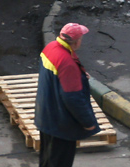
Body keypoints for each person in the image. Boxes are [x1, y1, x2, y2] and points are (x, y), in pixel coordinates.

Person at [34, 22, 101, 167]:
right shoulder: (67, 63)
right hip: (62, 125)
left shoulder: (50, 48)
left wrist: (80, 76)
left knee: (47, 160)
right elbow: (73, 98)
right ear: (76, 42)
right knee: (59, 162)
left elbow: (55, 78)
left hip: (46, 117)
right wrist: (88, 123)